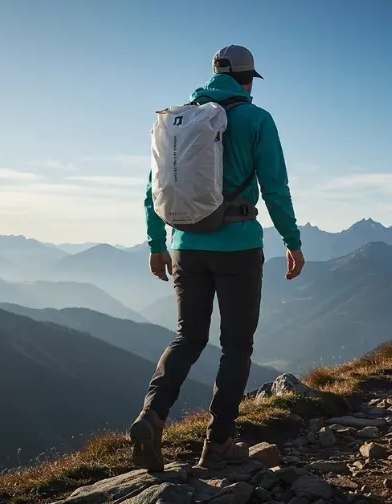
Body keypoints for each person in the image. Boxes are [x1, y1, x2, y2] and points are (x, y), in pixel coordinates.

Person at [130, 45, 305, 471]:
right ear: (248, 79)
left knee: (187, 337)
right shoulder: (257, 119)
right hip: (239, 246)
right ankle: (218, 442)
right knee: (236, 346)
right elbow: (275, 187)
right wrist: (291, 240)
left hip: (185, 245)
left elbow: (154, 187)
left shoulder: (177, 121)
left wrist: (156, 244)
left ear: (212, 75)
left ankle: (151, 416)